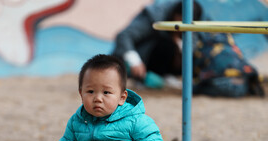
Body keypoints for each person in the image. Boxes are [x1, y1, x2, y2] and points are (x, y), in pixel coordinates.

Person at [112, 0, 264, 97]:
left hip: (171, 68)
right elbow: (125, 36)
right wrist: (134, 60)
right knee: (166, 46)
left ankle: (165, 78)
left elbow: (193, 50)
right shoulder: (155, 15)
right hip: (140, 60)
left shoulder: (199, 23)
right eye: (177, 23)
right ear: (173, 15)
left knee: (184, 52)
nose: (179, 30)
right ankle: (145, 78)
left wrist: (181, 47)